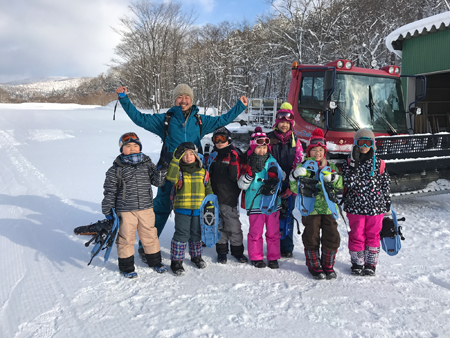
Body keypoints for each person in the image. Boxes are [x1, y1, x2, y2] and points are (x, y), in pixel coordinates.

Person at [115, 85, 248, 258]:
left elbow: (221, 120)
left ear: (191, 100)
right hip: (170, 171)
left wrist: (240, 106)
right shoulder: (166, 119)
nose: (183, 100)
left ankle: (197, 239)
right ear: (175, 99)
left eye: (187, 97)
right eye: (180, 97)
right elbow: (140, 119)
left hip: (194, 174)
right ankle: (146, 244)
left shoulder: (200, 120)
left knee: (197, 207)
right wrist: (124, 98)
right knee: (162, 208)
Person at [102, 132, 168, 278]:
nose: (132, 149)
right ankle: (126, 267)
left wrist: (162, 170)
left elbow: (157, 182)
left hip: (146, 208)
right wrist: (107, 209)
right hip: (126, 210)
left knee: (150, 235)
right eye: (128, 146)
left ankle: (155, 262)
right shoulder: (116, 169)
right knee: (125, 238)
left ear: (140, 148)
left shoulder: (147, 163)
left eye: (135, 145)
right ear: (121, 149)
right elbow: (110, 191)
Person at [289, 128, 343, 280]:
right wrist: (294, 177)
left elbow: (340, 185)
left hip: (328, 208)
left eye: (321, 150)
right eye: (314, 150)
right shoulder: (303, 167)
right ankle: (314, 264)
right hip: (310, 208)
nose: (318, 153)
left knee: (332, 235)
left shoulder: (330, 166)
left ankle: (328, 264)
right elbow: (294, 188)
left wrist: (334, 179)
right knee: (311, 236)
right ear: (309, 151)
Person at [341, 128, 391, 276]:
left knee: (373, 235)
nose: (364, 146)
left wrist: (387, 202)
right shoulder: (349, 162)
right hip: (355, 207)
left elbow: (385, 184)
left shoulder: (380, 164)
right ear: (355, 144)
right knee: (356, 234)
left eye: (367, 143)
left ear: (372, 144)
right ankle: (358, 262)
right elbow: (347, 183)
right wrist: (354, 166)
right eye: (360, 142)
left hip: (375, 208)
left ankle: (370, 263)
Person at [166, 142, 213, 276]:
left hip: (199, 209)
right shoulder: (178, 171)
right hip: (182, 208)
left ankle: (196, 257)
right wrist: (175, 159)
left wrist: (210, 203)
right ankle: (176, 261)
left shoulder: (203, 172)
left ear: (196, 156)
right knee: (182, 234)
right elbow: (170, 177)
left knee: (196, 234)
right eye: (185, 155)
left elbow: (208, 188)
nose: (188, 157)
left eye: (191, 154)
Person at [238, 127, 282, 269]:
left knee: (273, 232)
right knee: (255, 232)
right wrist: (249, 176)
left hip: (272, 203)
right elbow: (241, 185)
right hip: (255, 203)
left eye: (264, 148)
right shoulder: (247, 162)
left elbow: (283, 177)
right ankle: (256, 256)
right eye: (259, 148)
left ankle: (273, 257)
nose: (262, 151)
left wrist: (276, 176)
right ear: (253, 147)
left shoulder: (273, 161)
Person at [207, 126, 248, 264]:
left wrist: (233, 161)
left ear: (228, 139)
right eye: (216, 139)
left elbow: (235, 176)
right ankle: (222, 252)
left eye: (222, 139)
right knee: (218, 226)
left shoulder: (234, 153)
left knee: (233, 226)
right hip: (214, 196)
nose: (219, 142)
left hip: (229, 197)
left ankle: (237, 251)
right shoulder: (213, 154)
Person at [267, 102, 303, 258]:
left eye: (287, 123)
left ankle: (287, 245)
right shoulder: (269, 139)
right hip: (272, 183)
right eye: (281, 122)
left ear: (291, 124)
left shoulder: (295, 141)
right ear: (277, 122)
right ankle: (273, 243)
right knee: (273, 215)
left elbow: (299, 162)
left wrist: (292, 185)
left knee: (288, 213)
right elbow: (265, 159)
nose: (283, 125)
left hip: (290, 184)